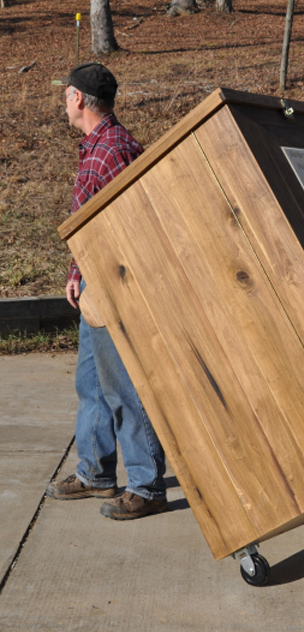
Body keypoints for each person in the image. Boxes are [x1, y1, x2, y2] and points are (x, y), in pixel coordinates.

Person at [47, 63, 167, 520]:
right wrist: (78, 273)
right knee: (92, 384)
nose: (63, 101)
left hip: (115, 289)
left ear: (78, 98)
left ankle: (147, 486)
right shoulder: (97, 147)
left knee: (123, 389)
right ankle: (96, 473)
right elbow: (92, 224)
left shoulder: (113, 149)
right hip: (92, 285)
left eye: (66, 94)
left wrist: (109, 286)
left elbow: (127, 226)